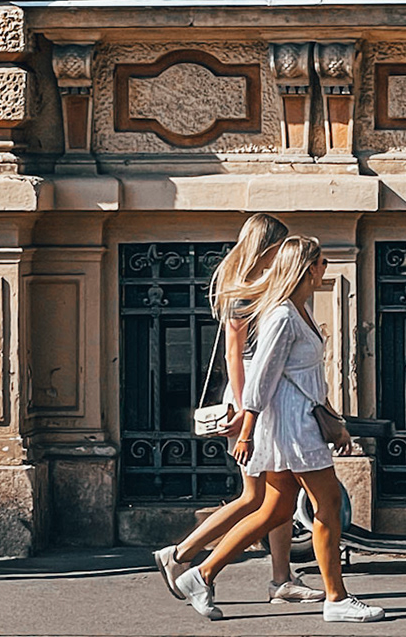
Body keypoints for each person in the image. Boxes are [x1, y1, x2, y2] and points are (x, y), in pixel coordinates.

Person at [174, 236, 384, 624]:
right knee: (328, 505)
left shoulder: (298, 310)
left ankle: (200, 575)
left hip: (296, 419)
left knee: (275, 509)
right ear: (305, 268)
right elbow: (262, 375)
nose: (325, 269)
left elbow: (303, 377)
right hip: (290, 426)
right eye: (321, 262)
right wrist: (247, 429)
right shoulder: (284, 315)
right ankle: (336, 599)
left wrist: (332, 418)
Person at [152, 214, 322, 607]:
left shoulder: (263, 285)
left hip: (263, 396)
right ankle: (181, 554)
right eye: (281, 245)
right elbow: (235, 354)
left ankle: (281, 579)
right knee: (254, 496)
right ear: (270, 246)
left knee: (275, 493)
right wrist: (247, 411)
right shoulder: (242, 289)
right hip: (249, 396)